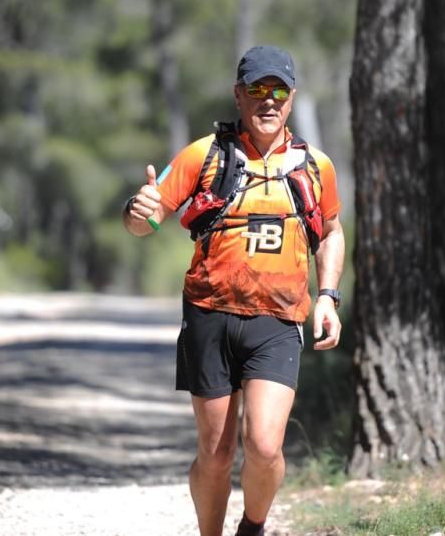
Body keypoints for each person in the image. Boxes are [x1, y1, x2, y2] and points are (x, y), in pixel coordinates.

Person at [122, 45, 345, 536]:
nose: (269, 101)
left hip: (279, 320)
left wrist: (328, 297)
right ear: (238, 95)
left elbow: (330, 231)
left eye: (279, 90)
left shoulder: (315, 167)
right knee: (216, 453)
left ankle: (254, 526)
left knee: (265, 446)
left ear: (292, 98)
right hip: (209, 314)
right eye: (258, 90)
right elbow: (149, 219)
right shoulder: (205, 155)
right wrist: (138, 213)